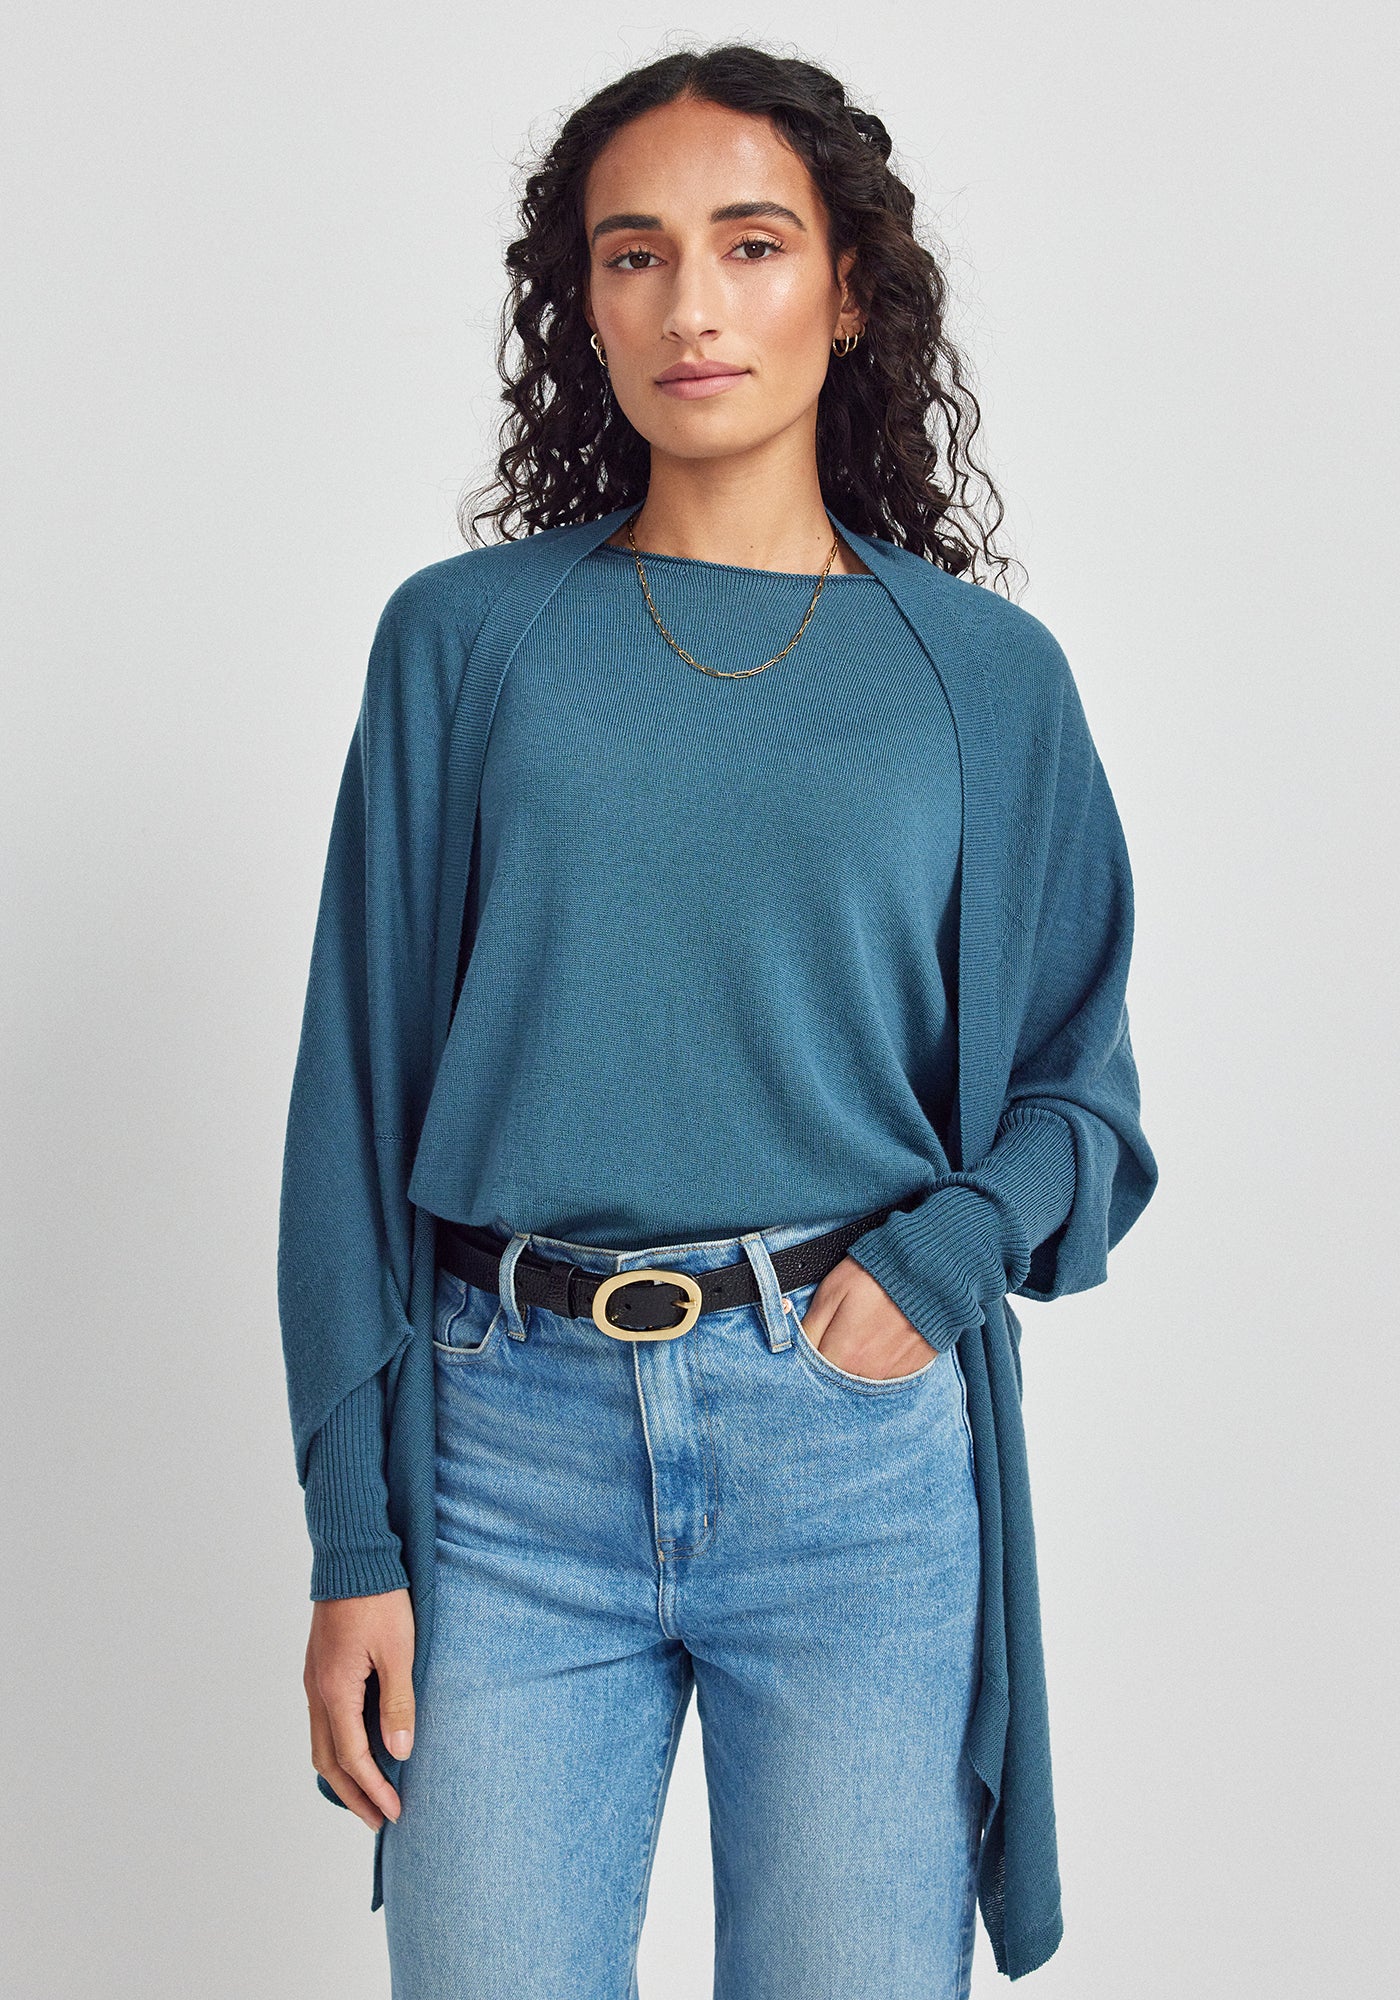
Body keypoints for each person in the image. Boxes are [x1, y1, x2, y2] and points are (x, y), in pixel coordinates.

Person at [278, 42, 1158, 1999]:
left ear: (848, 293)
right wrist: (354, 1540)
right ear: (580, 309)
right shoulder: (464, 644)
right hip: (501, 1458)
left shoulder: (986, 680)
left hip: (852, 1449)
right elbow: (351, 1103)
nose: (691, 303)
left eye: (750, 246)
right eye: (634, 255)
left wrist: (938, 1262)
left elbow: (1078, 1101)